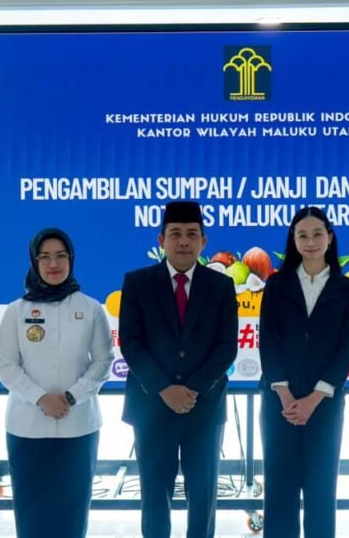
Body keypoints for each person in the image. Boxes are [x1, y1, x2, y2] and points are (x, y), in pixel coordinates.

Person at [118, 200, 239, 538]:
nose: (183, 241)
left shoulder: (220, 286)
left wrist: (193, 389)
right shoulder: (138, 282)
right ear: (161, 240)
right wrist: (164, 388)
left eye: (191, 234)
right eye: (175, 234)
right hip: (151, 407)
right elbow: (131, 343)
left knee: (203, 496)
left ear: (204, 241)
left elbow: (226, 347)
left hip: (204, 407)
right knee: (155, 497)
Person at [0, 227, 115, 538]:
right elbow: (7, 366)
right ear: (34, 262)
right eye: (45, 257)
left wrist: (71, 397)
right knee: (31, 512)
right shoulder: (16, 311)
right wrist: (40, 397)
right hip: (26, 427)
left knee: (72, 511)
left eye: (61, 256)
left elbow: (103, 362)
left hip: (79, 426)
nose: (53, 264)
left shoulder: (91, 309)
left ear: (71, 260)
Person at [257, 207, 349, 538]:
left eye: (317, 234)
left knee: (321, 490)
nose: (311, 241)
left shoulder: (346, 289)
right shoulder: (277, 284)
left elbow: (345, 348)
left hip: (325, 404)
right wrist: (286, 395)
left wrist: (314, 398)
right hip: (280, 404)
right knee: (279, 490)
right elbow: (268, 340)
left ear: (329, 237)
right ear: (294, 240)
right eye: (302, 235)